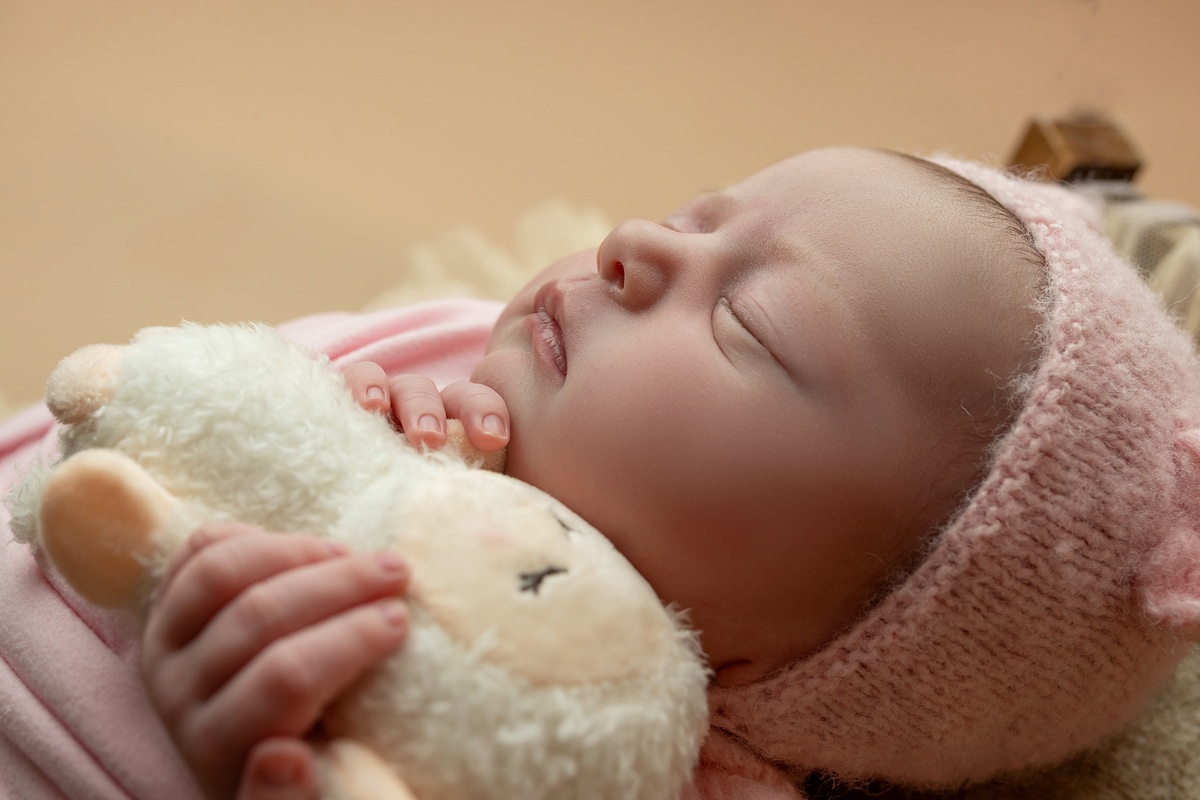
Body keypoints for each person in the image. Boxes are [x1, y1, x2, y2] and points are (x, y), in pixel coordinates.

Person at [5, 148, 1200, 800]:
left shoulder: (607, 758)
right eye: (696, 216)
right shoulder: (446, 342)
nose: (637, 247)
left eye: (750, 320)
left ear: (787, 666)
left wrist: (245, 742)